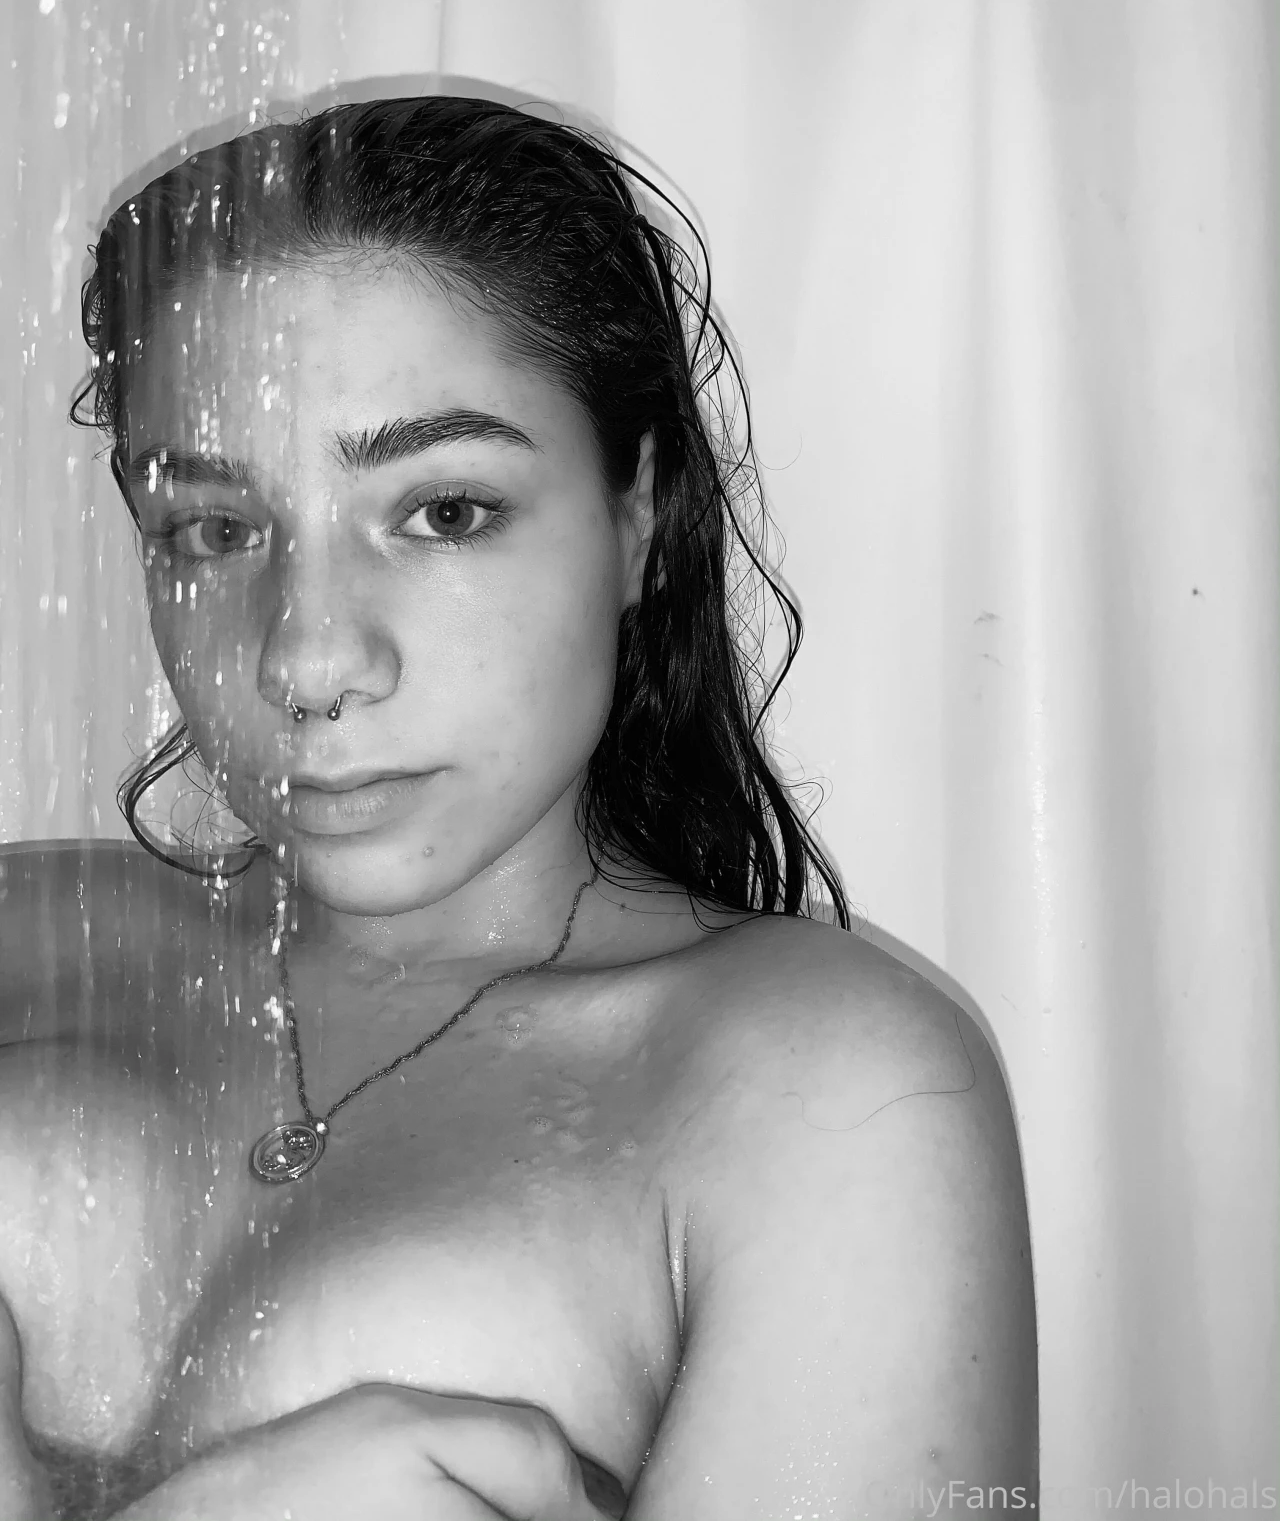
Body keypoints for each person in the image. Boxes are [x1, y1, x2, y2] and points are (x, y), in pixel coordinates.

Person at [0, 97, 1037, 1520]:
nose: (307, 659)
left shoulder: (821, 1084)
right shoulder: (31, 933)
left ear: (639, 515)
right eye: (216, 528)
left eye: (445, 512)